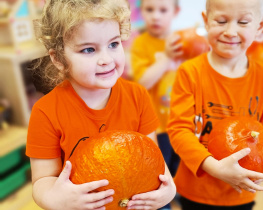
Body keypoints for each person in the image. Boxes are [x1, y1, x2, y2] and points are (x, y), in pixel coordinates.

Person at [25, 0, 176, 210]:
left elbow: (152, 157)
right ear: (59, 59)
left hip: (139, 200)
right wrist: (58, 200)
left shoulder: (137, 96)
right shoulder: (45, 112)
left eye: (113, 44)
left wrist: (168, 190)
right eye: (88, 50)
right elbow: (43, 180)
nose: (106, 59)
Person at [167, 0, 263, 209]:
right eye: (221, 21)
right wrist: (215, 168)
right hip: (197, 190)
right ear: (206, 21)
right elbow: (178, 130)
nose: (230, 31)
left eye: (243, 22)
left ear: (261, 26)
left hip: (241, 194)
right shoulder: (190, 73)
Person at [130, 0, 182, 182]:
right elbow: (143, 82)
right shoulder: (141, 44)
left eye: (163, 10)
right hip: (158, 125)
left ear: (175, 11)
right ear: (141, 11)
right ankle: (162, 202)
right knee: (160, 168)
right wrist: (166, 58)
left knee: (181, 165)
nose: (155, 16)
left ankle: (176, 192)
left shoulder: (183, 41)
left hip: (183, 121)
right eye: (150, 9)